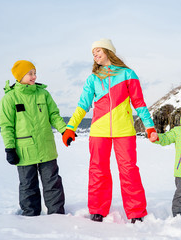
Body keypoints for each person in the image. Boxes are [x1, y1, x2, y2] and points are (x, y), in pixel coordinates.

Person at [62, 39, 157, 223]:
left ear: (108, 51)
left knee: (129, 170)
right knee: (98, 170)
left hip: (124, 130)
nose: (95, 55)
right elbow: (83, 105)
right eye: (93, 53)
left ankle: (136, 211)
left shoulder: (128, 74)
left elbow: (139, 103)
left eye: (98, 51)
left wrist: (149, 126)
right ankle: (98, 209)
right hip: (99, 131)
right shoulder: (93, 78)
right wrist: (71, 127)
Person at [0, 60, 66, 216]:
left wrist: (64, 130)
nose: (34, 76)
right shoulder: (10, 98)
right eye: (30, 73)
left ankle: (57, 216)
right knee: (28, 185)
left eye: (35, 73)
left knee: (52, 183)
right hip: (24, 149)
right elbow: (6, 126)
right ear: (20, 75)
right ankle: (30, 217)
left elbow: (54, 115)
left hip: (46, 146)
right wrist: (10, 148)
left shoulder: (43, 93)